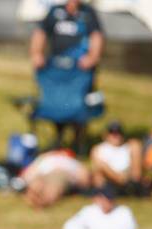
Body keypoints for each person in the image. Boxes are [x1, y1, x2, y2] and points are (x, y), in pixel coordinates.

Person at [29, 0, 104, 154]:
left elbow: (96, 36)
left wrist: (93, 56)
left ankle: (78, 141)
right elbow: (40, 33)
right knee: (56, 102)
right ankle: (59, 139)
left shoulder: (88, 13)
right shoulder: (55, 11)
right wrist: (36, 53)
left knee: (79, 104)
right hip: (57, 71)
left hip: (79, 72)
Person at [90, 121, 148, 195]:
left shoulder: (130, 146)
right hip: (109, 179)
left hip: (128, 177)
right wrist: (118, 177)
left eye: (118, 132)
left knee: (135, 146)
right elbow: (97, 169)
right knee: (100, 167)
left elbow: (137, 169)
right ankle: (122, 186)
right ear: (106, 135)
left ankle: (133, 186)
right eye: (112, 132)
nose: (116, 135)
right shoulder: (98, 149)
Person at [63, 184, 137, 229]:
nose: (108, 202)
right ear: (100, 198)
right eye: (106, 199)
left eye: (110, 199)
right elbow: (69, 226)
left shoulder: (123, 211)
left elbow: (131, 228)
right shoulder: (89, 211)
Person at [21, 149, 90, 209]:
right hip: (43, 173)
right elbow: (27, 174)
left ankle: (43, 201)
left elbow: (84, 177)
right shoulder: (43, 158)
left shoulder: (71, 161)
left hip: (61, 173)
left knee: (55, 185)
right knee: (36, 183)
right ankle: (35, 198)